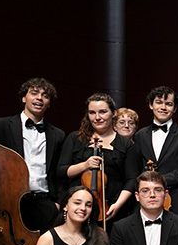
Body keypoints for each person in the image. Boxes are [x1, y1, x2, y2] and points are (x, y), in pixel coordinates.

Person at [0, 77, 65, 232]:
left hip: (44, 205)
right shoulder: (1, 125)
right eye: (34, 93)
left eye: (45, 96)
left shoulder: (58, 134)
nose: (39, 98)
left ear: (49, 103)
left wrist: (57, 203)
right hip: (9, 203)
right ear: (24, 98)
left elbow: (59, 173)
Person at [57, 92, 138, 224]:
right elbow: (61, 171)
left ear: (114, 113)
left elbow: (131, 179)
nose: (97, 117)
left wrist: (117, 205)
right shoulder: (75, 138)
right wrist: (85, 165)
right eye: (92, 113)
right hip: (78, 208)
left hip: (112, 206)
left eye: (103, 112)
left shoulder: (126, 144)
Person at [131, 86, 178, 217]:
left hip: (176, 201)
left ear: (174, 108)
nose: (163, 107)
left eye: (168, 104)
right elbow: (136, 168)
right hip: (145, 202)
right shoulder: (140, 135)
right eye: (159, 102)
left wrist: (163, 180)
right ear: (151, 105)